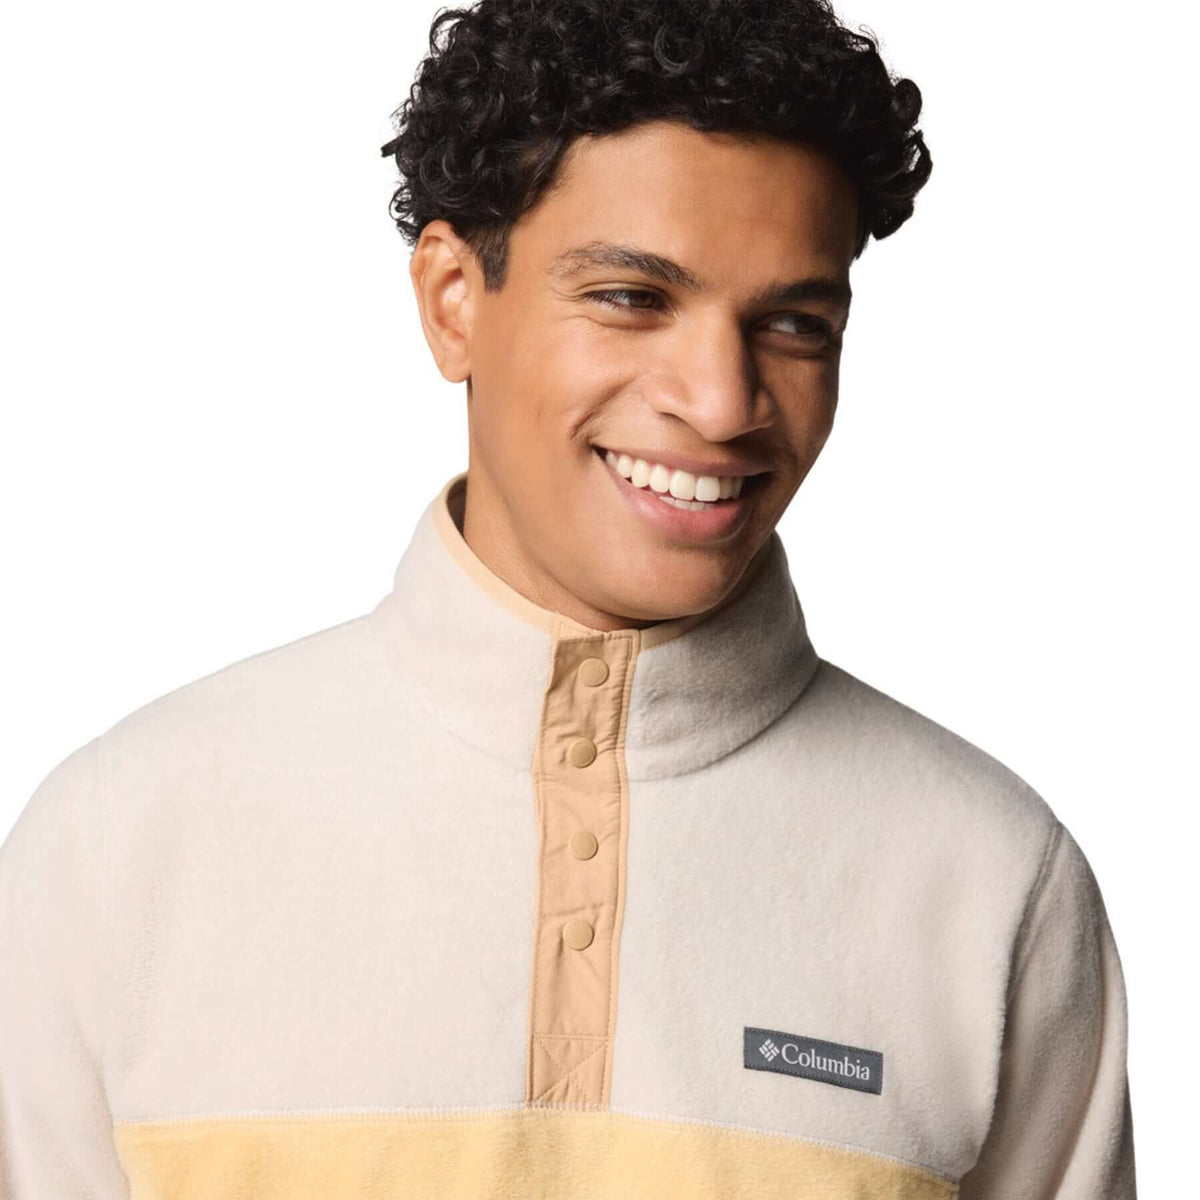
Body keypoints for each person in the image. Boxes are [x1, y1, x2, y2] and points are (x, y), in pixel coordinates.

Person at [0, 0, 1136, 1195]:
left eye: (794, 323)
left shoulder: (993, 879)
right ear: (452, 298)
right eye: (633, 297)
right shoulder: (121, 842)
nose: (722, 401)